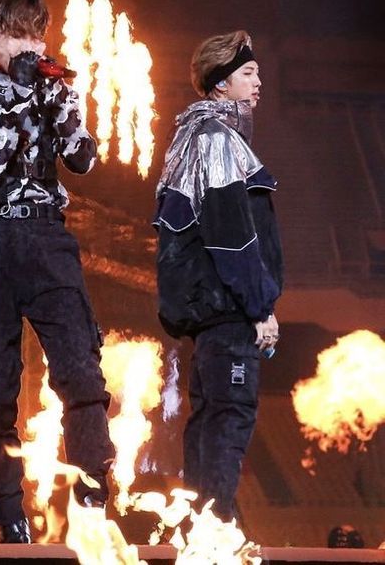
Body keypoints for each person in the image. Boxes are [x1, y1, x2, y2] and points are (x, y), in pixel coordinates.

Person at [0, 0, 114, 543]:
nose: (30, 46)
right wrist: (21, 98)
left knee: (80, 366)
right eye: (17, 35)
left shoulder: (50, 87)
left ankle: (92, 496)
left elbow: (83, 161)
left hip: (44, 236)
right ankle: (11, 518)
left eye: (37, 33)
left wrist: (64, 106)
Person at [153, 30, 282, 522]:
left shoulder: (191, 136)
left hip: (210, 317)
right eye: (248, 72)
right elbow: (233, 237)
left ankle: (203, 529)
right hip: (228, 314)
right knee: (228, 419)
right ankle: (219, 530)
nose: (259, 81)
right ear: (221, 82)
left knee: (208, 421)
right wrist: (260, 308)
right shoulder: (216, 139)